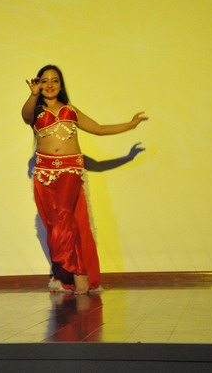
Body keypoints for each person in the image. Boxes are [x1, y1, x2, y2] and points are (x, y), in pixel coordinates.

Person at [22, 65, 147, 295]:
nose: (50, 85)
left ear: (61, 84)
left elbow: (99, 129)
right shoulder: (35, 111)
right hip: (44, 173)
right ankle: (65, 276)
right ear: (38, 84)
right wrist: (32, 95)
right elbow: (25, 116)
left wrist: (129, 126)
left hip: (70, 169)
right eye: (45, 80)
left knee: (64, 217)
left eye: (55, 80)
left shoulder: (71, 110)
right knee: (54, 225)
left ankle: (80, 275)